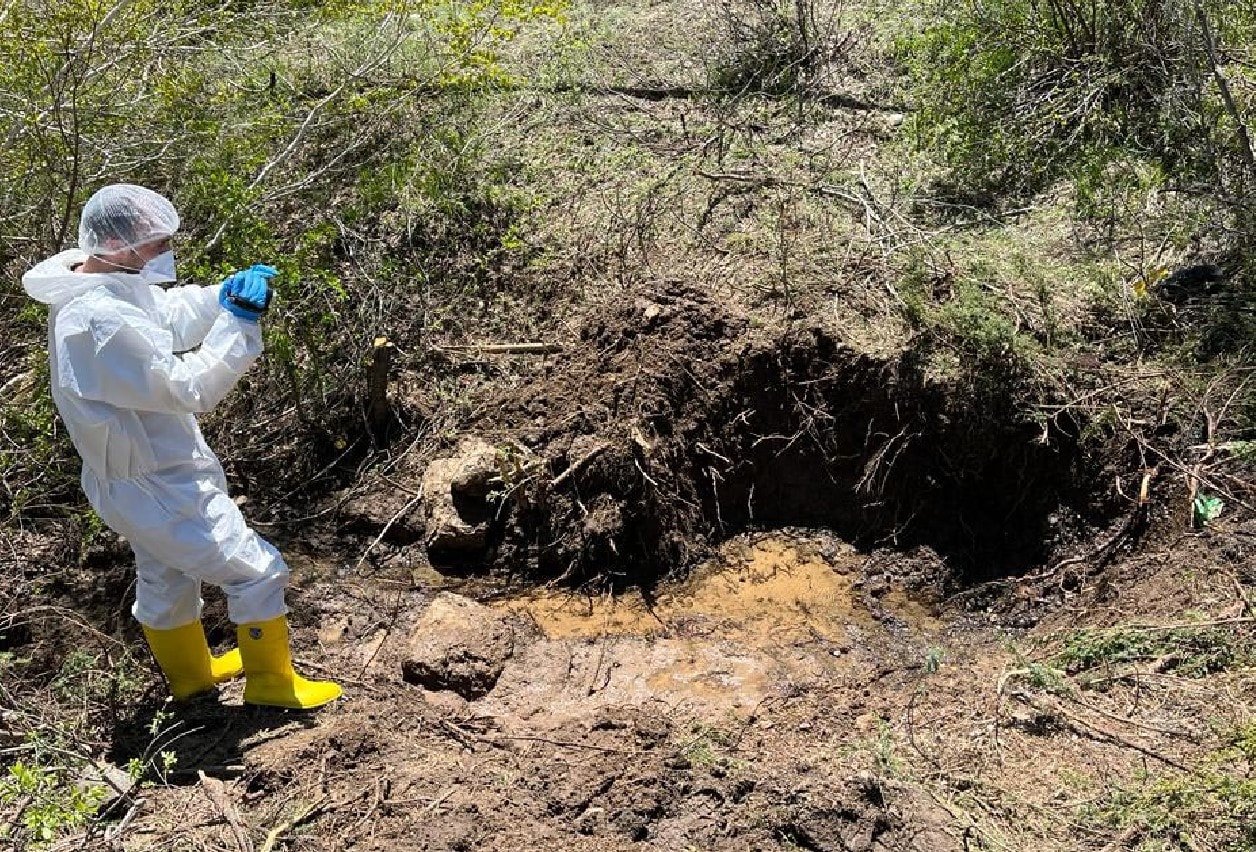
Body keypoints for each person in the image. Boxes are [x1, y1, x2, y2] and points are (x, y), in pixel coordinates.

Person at [21, 183, 341, 709]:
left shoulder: (104, 282)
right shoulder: (98, 321)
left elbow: (162, 316)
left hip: (138, 476)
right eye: (156, 243)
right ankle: (272, 685)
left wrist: (219, 296)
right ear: (122, 245)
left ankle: (192, 679)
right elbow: (188, 387)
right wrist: (239, 323)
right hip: (155, 481)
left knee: (165, 578)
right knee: (254, 569)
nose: (165, 252)